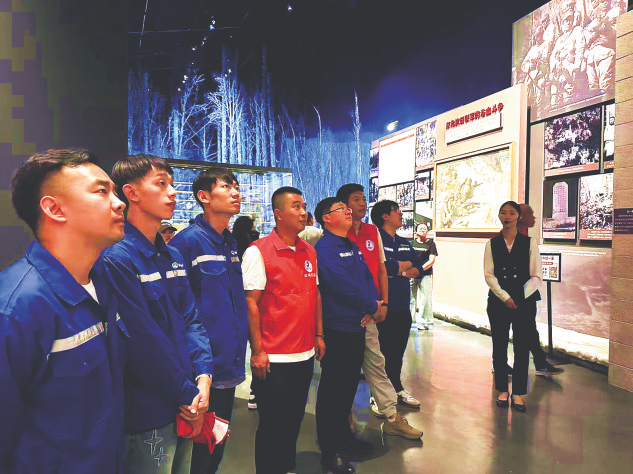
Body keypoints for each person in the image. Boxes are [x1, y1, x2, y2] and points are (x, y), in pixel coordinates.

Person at [0, 149, 127, 473]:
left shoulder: (103, 283)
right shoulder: (16, 309)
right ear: (54, 209)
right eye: (101, 191)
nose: (119, 203)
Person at [101, 155, 213, 473]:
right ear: (131, 193)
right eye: (161, 184)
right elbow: (142, 343)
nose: (173, 192)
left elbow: (191, 319)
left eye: (172, 184)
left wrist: (204, 377)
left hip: (189, 397)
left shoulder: (172, 254)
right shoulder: (117, 257)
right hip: (149, 408)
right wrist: (188, 393)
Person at [169, 167, 249, 474]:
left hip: (228, 362)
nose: (235, 192)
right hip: (201, 367)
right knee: (196, 449)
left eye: (236, 186)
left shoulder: (229, 242)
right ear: (204, 196)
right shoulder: (185, 243)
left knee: (217, 438)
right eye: (226, 186)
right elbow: (180, 311)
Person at [242, 186, 324, 474]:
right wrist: (258, 351)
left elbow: (315, 295)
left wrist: (318, 335)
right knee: (272, 425)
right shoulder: (258, 251)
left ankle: (286, 467)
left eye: (304, 206)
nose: (303, 212)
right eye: (296, 206)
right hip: (274, 357)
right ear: (278, 214)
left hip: (304, 353)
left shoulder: (309, 251)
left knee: (293, 420)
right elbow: (251, 303)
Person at [336, 183, 422, 440]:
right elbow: (343, 280)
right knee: (346, 371)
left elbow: (382, 270)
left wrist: (382, 303)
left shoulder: (372, 232)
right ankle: (343, 420)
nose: (363, 203)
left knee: (378, 364)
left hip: (375, 311)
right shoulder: (335, 237)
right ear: (343, 206)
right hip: (347, 317)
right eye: (357, 199)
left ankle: (392, 416)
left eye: (364, 199)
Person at [314, 197, 383, 474]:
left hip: (357, 325)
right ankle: (329, 451)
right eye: (341, 209)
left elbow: (366, 278)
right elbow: (342, 286)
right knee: (333, 392)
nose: (348, 211)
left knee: (347, 389)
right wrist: (371, 306)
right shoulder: (325, 248)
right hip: (337, 328)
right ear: (326, 218)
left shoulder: (350, 245)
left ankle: (344, 440)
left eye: (347, 208)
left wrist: (374, 304)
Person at [485, 201, 543, 414]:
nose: (507, 216)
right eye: (503, 212)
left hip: (524, 303)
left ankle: (518, 392)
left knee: (522, 347)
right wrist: (505, 297)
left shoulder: (529, 242)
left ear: (518, 217)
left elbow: (536, 275)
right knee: (499, 346)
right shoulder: (491, 244)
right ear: (499, 216)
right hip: (498, 302)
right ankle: (502, 389)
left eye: (511, 213)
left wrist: (519, 297)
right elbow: (489, 275)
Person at [370, 200, 423, 408]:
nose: (400, 214)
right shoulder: (375, 240)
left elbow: (418, 267)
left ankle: (397, 388)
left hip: (402, 306)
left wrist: (400, 271)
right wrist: (401, 268)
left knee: (397, 352)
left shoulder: (403, 242)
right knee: (381, 353)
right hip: (383, 306)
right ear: (385, 216)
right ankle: (378, 394)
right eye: (396, 211)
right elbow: (382, 267)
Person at [517, 204, 564, 376]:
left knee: (529, 328)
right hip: (519, 293)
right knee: (525, 328)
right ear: (521, 217)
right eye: (531, 214)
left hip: (525, 292)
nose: (534, 217)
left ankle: (540, 363)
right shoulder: (514, 238)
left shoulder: (524, 236)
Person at [230, 214, 260, 410]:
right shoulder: (250, 248)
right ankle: (254, 391)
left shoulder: (233, 245)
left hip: (238, 303)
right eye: (252, 229)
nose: (255, 231)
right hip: (246, 302)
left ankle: (253, 391)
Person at [410, 222, 438, 331]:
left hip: (425, 274)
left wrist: (420, 269)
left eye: (425, 229)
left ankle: (422, 321)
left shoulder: (431, 244)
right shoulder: (411, 243)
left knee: (424, 298)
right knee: (411, 299)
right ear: (416, 232)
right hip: (412, 274)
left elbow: (432, 260)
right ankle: (410, 321)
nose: (423, 230)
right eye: (421, 229)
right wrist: (412, 270)